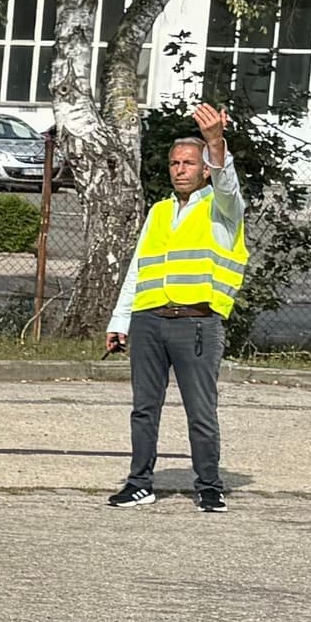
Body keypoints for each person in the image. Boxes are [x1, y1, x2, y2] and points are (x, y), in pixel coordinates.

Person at [106, 100, 247, 511]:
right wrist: (121, 320)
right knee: (144, 408)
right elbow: (138, 267)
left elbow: (229, 187)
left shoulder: (222, 209)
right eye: (174, 163)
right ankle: (139, 483)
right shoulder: (159, 211)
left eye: (189, 162)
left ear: (205, 169)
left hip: (197, 324)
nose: (179, 169)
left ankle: (208, 485)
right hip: (150, 320)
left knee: (201, 410)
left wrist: (215, 142)